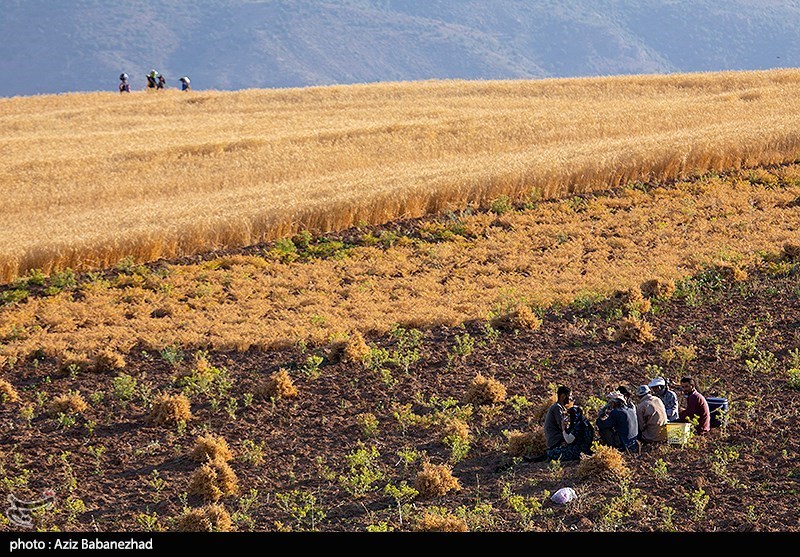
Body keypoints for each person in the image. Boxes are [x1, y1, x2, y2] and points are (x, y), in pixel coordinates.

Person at [543, 386, 572, 451]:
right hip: (556, 441)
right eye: (569, 396)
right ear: (563, 396)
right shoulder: (557, 408)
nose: (570, 398)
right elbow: (562, 426)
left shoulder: (561, 408)